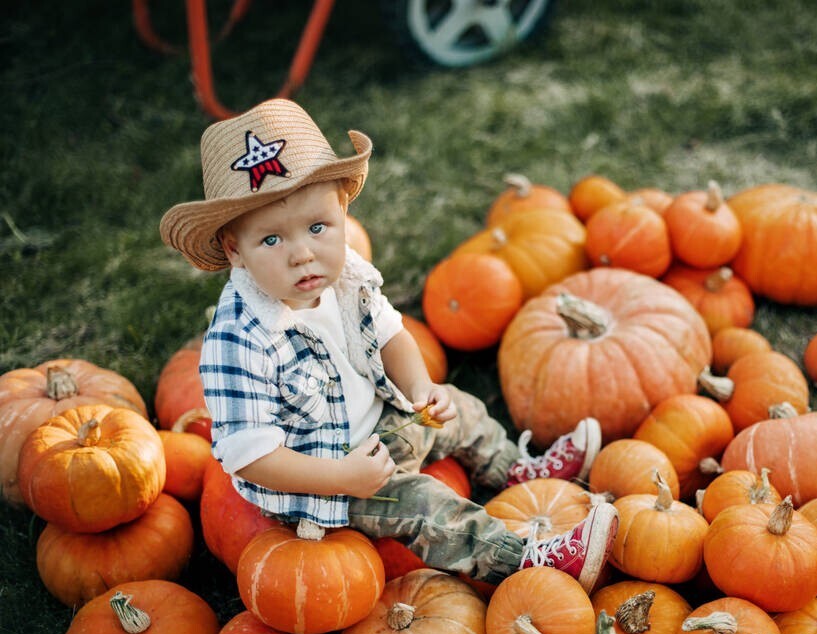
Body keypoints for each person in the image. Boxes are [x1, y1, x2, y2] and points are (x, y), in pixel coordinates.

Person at [159, 98, 617, 591]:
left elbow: (389, 332)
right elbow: (250, 456)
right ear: (234, 249)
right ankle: (527, 563)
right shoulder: (239, 340)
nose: (302, 254)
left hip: (385, 421)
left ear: (342, 210)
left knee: (460, 409)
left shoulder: (344, 275)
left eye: (317, 228)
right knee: (424, 506)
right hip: (325, 480)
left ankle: (516, 471)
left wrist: (421, 389)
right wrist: (342, 478)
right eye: (271, 240)